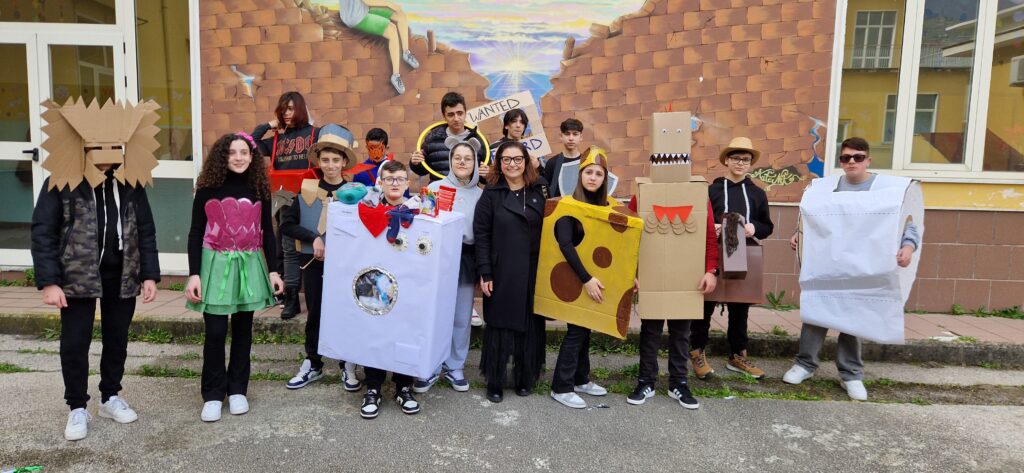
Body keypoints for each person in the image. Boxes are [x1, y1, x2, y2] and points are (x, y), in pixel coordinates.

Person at [30, 98, 161, 441]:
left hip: (122, 275)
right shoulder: (62, 181)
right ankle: (77, 406)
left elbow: (145, 229)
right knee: (75, 343)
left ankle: (110, 396)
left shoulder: (131, 184)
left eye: (115, 145)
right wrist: (49, 281)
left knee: (117, 339)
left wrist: (148, 273)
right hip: (76, 277)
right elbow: (43, 231)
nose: (107, 152)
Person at [784, 137, 920, 401]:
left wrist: (909, 247)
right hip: (828, 265)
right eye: (845, 158)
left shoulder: (888, 190)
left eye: (858, 157)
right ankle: (805, 364)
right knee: (816, 312)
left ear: (868, 160)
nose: (851, 162)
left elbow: (907, 222)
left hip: (865, 266)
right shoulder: (826, 190)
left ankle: (851, 374)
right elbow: (813, 220)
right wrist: (798, 235)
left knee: (854, 318)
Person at [185, 132, 285, 422]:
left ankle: (238, 389)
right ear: (222, 157)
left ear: (252, 157)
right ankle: (214, 394)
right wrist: (194, 274)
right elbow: (194, 232)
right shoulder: (206, 189)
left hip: (249, 263)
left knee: (244, 330)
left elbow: (268, 231)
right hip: (215, 264)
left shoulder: (259, 189)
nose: (239, 157)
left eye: (244, 152)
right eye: (232, 152)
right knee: (215, 332)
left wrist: (274, 270)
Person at [280, 124, 363, 392]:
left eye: (335, 160)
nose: (330, 165)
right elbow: (286, 224)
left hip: (346, 266)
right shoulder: (306, 190)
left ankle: (347, 362)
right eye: (325, 160)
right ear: (319, 161)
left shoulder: (357, 192)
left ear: (343, 162)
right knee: (315, 312)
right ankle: (313, 362)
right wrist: (311, 237)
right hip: (313, 263)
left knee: (346, 313)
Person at [691, 137, 774, 380]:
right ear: (727, 160)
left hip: (744, 252)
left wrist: (752, 227)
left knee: (741, 306)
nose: (740, 163)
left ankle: (738, 354)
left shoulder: (757, 194)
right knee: (705, 303)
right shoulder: (711, 191)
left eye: (745, 159)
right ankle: (697, 351)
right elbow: (697, 220)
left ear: (751, 164)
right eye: (736, 158)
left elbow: (767, 227)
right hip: (713, 252)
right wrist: (712, 226)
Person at [625, 195, 719, 410]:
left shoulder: (699, 195)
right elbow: (629, 233)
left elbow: (709, 235)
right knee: (650, 331)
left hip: (686, 274)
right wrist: (631, 270)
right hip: (652, 274)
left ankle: (679, 382)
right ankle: (645, 381)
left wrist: (711, 270)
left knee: (681, 331)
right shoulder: (643, 193)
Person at [474, 141, 548, 403]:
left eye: (517, 159)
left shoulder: (538, 191)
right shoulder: (492, 193)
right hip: (501, 270)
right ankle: (495, 379)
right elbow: (481, 235)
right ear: (499, 164)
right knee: (500, 327)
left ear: (526, 162)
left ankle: (524, 376)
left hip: (532, 270)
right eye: (506, 160)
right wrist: (486, 272)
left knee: (529, 325)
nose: (512, 164)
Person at [413, 138, 484, 394]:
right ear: (450, 161)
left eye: (468, 158)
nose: (462, 162)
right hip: (437, 258)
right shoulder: (434, 188)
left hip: (466, 257)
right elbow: (421, 219)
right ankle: (430, 366)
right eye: (457, 158)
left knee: (461, 316)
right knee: (434, 313)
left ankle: (455, 366)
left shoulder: (481, 195)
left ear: (475, 163)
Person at [548, 151, 615, 409]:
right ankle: (561, 386)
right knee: (576, 331)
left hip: (593, 278)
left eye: (599, 174)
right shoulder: (569, 205)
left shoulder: (605, 208)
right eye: (589, 172)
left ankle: (580, 378)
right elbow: (565, 244)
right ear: (580, 175)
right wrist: (586, 279)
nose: (593, 177)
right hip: (576, 277)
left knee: (585, 329)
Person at [359, 160, 422, 419]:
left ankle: (403, 386)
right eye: (389, 179)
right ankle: (372, 387)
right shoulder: (367, 211)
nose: (394, 183)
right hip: (376, 282)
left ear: (407, 183)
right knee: (375, 332)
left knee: (404, 333)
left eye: (399, 179)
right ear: (380, 183)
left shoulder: (419, 213)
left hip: (407, 283)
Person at [251, 91, 319, 320]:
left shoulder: (315, 134)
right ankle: (291, 298)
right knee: (288, 248)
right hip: (283, 197)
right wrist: (270, 124)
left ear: (300, 109)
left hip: (310, 196)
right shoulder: (277, 140)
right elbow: (251, 144)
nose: (286, 113)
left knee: (314, 245)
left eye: (290, 108)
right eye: (282, 109)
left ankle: (318, 296)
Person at [337, 0, 419, 95]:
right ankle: (395, 75)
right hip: (356, 17)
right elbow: (368, 1)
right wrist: (389, 4)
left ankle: (406, 52)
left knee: (400, 14)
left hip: (362, 9)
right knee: (391, 30)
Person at [411, 92, 489, 182]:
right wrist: (415, 163)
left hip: (468, 192)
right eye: (451, 115)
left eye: (460, 113)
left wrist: (487, 174)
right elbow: (422, 171)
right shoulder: (432, 139)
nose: (456, 119)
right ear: (444, 116)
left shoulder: (478, 140)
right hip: (439, 192)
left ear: (465, 113)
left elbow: (484, 177)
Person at [543, 118, 584, 197]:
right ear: (561, 136)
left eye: (575, 134)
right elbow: (545, 191)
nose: (571, 138)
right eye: (567, 134)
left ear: (581, 137)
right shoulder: (552, 163)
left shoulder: (587, 161)